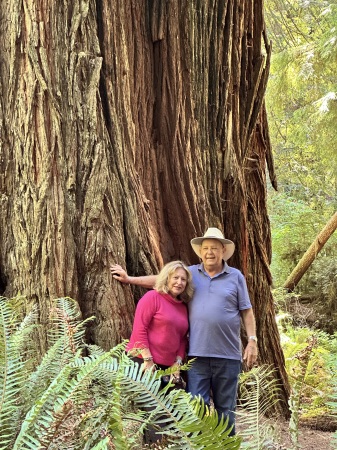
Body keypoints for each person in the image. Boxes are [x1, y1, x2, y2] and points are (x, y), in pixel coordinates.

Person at [111, 227, 258, 435]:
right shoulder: (191, 274)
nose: (209, 252)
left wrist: (252, 340)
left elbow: (247, 311)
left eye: (214, 248)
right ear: (200, 251)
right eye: (206, 248)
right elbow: (162, 279)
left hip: (228, 356)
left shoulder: (235, 277)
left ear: (223, 250)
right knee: (195, 409)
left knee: (226, 410)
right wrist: (130, 279)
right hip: (196, 357)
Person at [125, 260, 193, 444]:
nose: (179, 282)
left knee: (179, 408)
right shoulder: (152, 297)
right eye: (175, 278)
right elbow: (139, 329)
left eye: (183, 279)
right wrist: (147, 360)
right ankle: (155, 446)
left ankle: (174, 445)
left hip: (169, 367)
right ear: (166, 278)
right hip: (142, 362)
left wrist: (177, 363)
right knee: (155, 413)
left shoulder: (183, 306)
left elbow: (181, 339)